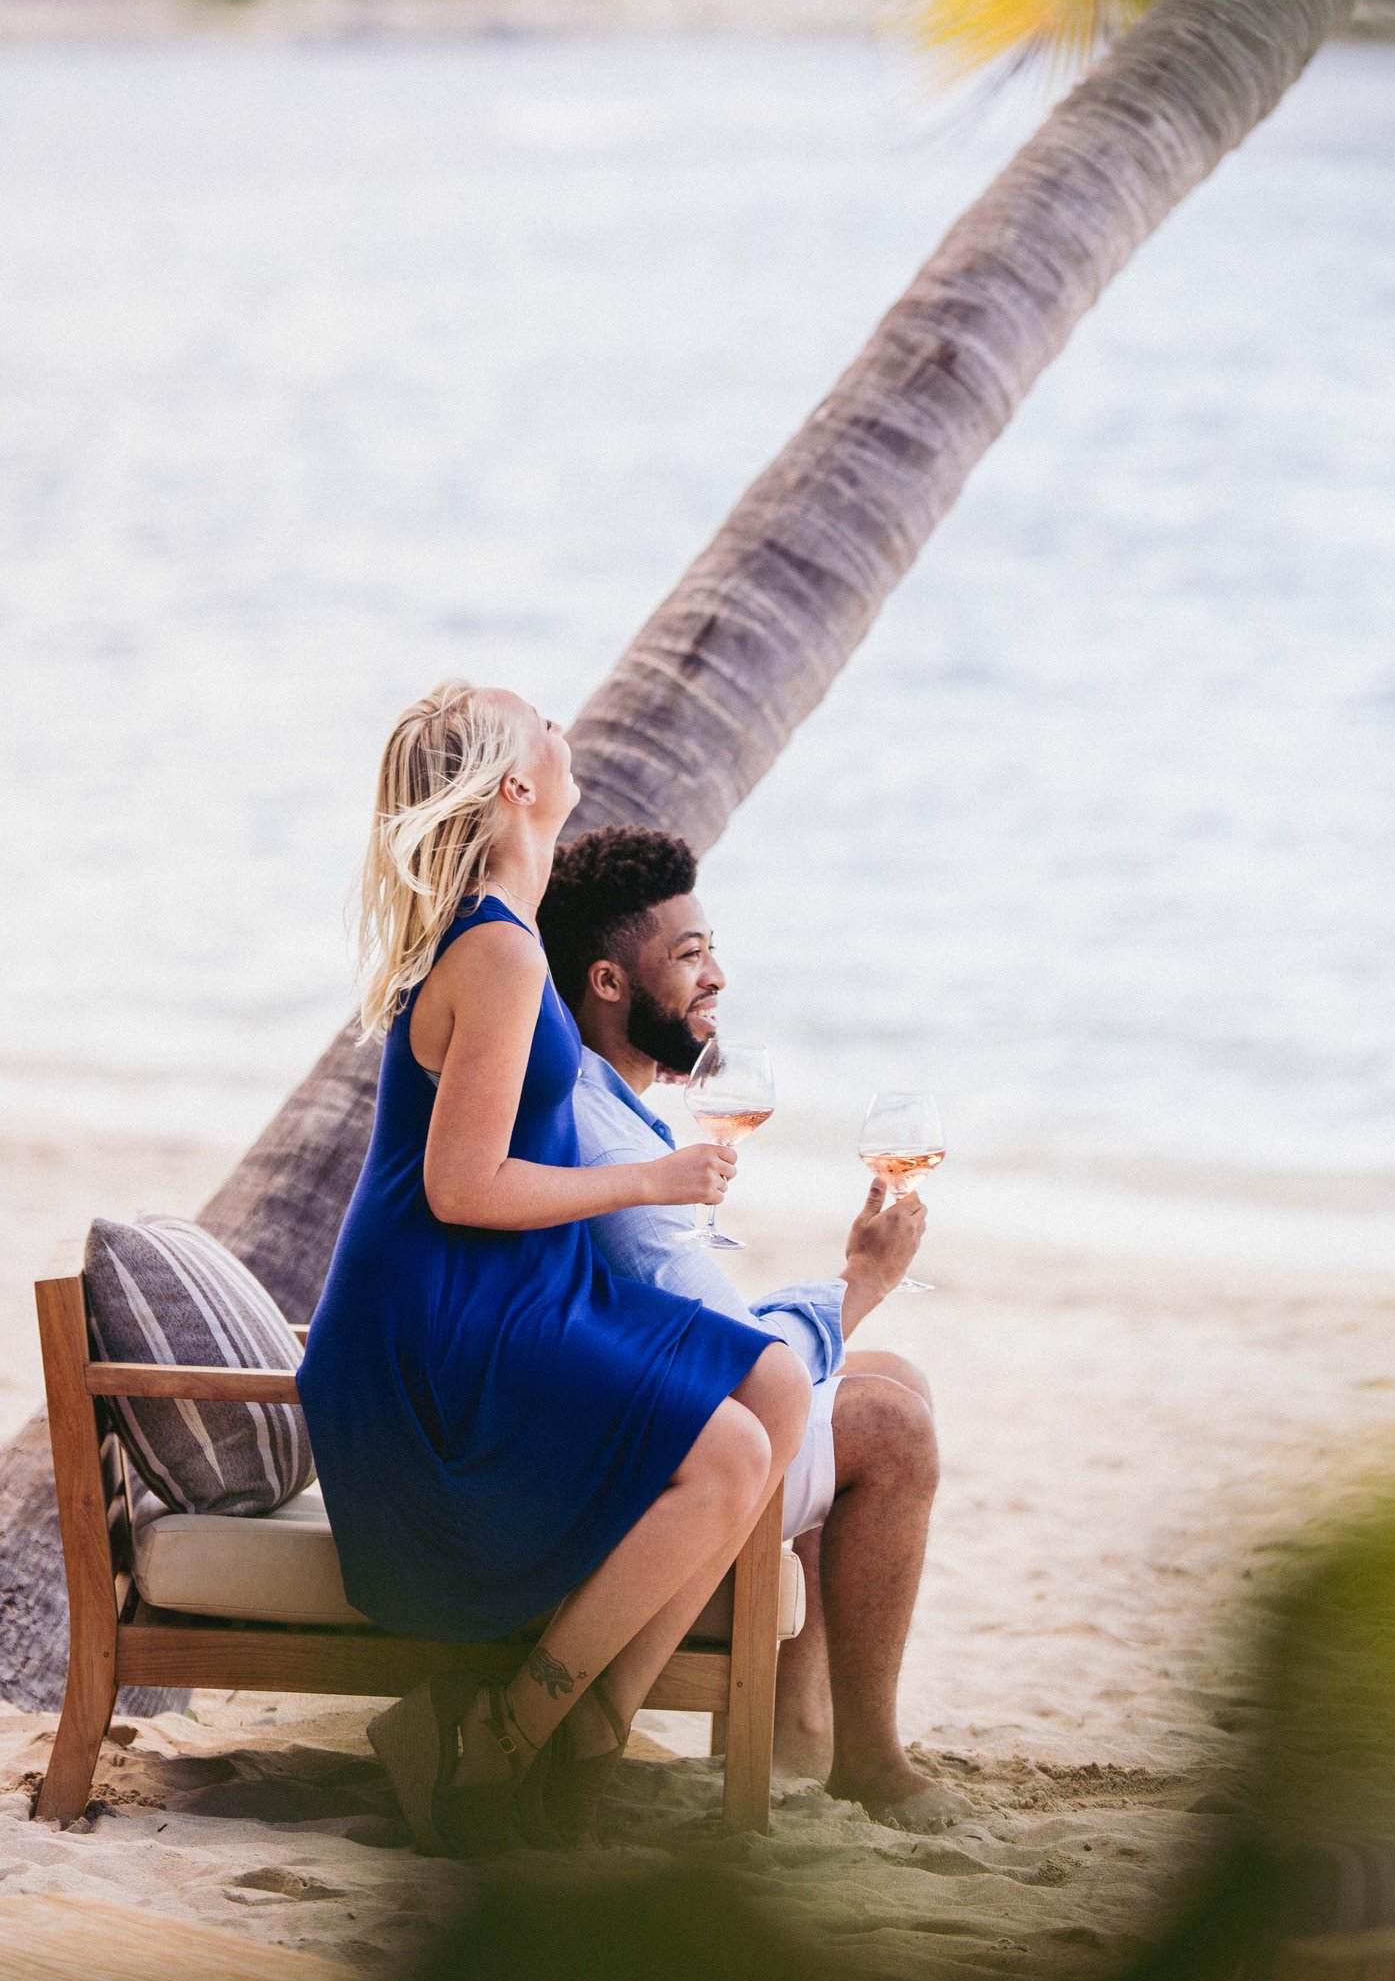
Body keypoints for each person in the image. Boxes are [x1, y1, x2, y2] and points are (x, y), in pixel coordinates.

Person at [298, 683, 809, 1861]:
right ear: (517, 786)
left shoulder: (507, 935)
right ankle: (516, 1736)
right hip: (433, 1324)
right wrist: (652, 1182)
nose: (562, 723)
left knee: (776, 1388)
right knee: (730, 1452)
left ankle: (598, 1721)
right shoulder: (494, 951)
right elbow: (459, 1188)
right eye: (539, 719)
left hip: (511, 1288)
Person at [537, 827, 954, 1829]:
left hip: (651, 1410)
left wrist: (848, 1300)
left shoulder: (611, 1112)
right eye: (686, 956)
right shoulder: (611, 1145)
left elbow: (706, 1327)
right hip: (664, 1453)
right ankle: (868, 1759)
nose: (715, 975)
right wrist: (856, 1286)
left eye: (709, 947)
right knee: (891, 1424)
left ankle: (800, 1729)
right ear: (605, 981)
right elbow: (737, 1362)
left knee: (887, 1374)